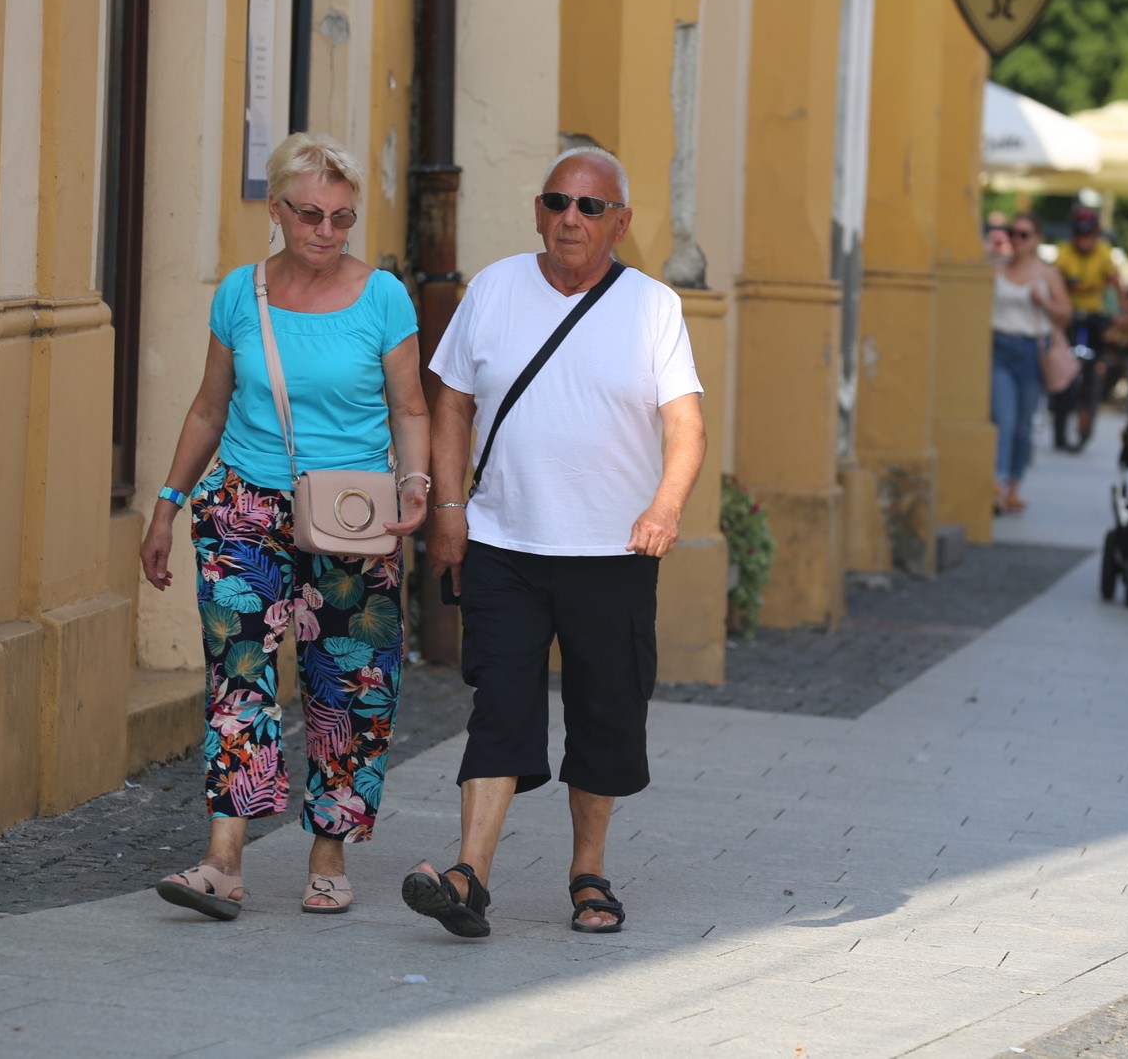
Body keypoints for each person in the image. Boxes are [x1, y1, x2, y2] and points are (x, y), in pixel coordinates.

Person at [401, 147, 706, 938]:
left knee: (605, 711)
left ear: (620, 223)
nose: (571, 217)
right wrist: (450, 507)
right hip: (505, 542)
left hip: (613, 552)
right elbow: (452, 406)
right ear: (539, 211)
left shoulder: (653, 308)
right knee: (499, 700)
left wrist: (666, 506)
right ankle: (470, 873)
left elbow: (686, 426)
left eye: (590, 207)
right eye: (557, 202)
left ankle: (588, 870)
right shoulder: (494, 289)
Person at [139, 133, 429, 921]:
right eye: (311, 215)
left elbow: (409, 408)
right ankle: (223, 859)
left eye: (342, 218)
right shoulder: (241, 293)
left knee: (350, 683)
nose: (327, 232)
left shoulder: (384, 298)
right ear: (277, 211)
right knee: (239, 675)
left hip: (350, 510)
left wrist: (417, 483)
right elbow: (209, 405)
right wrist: (168, 502)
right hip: (244, 505)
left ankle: (328, 852)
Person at [990, 212, 1070, 515]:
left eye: (1024, 234)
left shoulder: (1046, 274)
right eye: (1013, 233)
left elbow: (1065, 313)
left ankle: (1014, 486)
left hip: (1030, 350)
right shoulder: (995, 269)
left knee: (1023, 425)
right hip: (999, 345)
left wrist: (1043, 302)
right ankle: (997, 484)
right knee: (1003, 419)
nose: (1017, 239)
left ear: (1036, 239)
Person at [1051, 207, 1128, 448]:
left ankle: (1092, 401)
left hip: (1094, 315)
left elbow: (1115, 283)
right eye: (1080, 233)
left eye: (1089, 233)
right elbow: (1055, 277)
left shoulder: (1103, 253)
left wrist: (1123, 310)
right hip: (1069, 316)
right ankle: (1060, 412)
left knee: (1098, 361)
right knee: (1062, 362)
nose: (1084, 238)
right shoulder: (1065, 252)